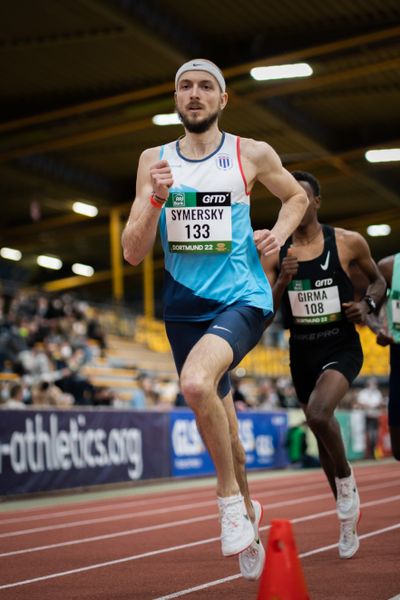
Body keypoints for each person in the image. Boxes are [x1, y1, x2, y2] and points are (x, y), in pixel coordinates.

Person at [122, 58, 308, 580]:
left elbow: (294, 194)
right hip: (183, 310)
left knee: (195, 381)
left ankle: (227, 503)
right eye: (186, 86)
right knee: (232, 442)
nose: (196, 94)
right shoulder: (153, 160)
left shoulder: (249, 153)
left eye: (207, 86)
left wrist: (279, 229)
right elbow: (132, 252)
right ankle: (247, 510)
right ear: (176, 98)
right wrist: (156, 197)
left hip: (242, 298)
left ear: (223, 99)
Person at [262, 170, 386, 559]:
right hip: (301, 351)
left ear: (315, 202)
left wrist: (365, 305)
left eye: (302, 197)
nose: (295, 204)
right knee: (321, 439)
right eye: (288, 198)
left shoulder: (348, 242)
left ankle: (347, 481)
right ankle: (346, 521)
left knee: (318, 414)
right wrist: (281, 280)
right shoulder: (275, 249)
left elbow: (379, 282)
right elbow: (265, 309)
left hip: (341, 345)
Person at [365, 253, 400, 459]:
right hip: (398, 354)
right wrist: (379, 329)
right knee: (398, 449)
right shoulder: (389, 267)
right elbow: (368, 308)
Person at [355, 377, 385, 459]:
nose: (373, 385)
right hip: (365, 417)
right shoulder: (363, 393)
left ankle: (373, 453)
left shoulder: (377, 393)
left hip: (374, 416)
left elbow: (380, 403)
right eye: (372, 383)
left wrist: (377, 405)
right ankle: (366, 454)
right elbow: (359, 403)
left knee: (374, 435)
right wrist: (369, 406)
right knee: (365, 435)